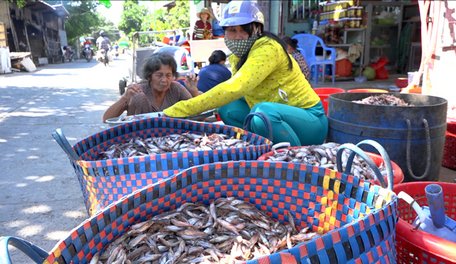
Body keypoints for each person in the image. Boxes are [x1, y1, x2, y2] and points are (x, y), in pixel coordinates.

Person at [163, 1, 328, 146]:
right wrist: (207, 107)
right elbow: (235, 95)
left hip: (309, 121)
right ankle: (259, 146)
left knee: (262, 112)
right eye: (232, 30)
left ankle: (292, 160)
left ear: (257, 28)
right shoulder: (237, 57)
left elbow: (236, 87)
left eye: (244, 30)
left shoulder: (268, 48)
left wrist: (182, 109)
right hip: (275, 119)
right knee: (228, 107)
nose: (238, 36)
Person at [102, 53, 199, 122]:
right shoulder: (137, 90)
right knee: (139, 98)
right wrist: (125, 98)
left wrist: (194, 92)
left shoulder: (176, 89)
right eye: (159, 75)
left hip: (169, 139)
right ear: (149, 76)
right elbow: (106, 119)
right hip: (137, 139)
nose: (164, 80)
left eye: (168, 75)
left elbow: (197, 116)